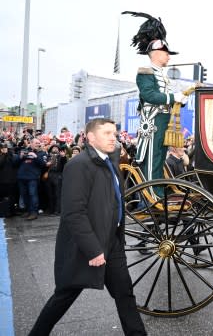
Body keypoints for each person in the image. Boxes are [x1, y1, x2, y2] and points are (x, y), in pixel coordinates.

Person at [29, 118, 146, 336]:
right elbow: (74, 213)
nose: (114, 137)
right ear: (91, 137)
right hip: (87, 245)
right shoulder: (79, 165)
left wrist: (115, 239)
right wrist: (93, 249)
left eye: (115, 133)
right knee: (65, 295)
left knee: (125, 294)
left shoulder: (109, 161)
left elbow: (114, 201)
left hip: (112, 242)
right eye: (107, 133)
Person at [123, 11, 188, 183]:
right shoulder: (145, 72)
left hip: (163, 119)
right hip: (153, 121)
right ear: (157, 53)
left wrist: (179, 101)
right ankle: (151, 194)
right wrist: (174, 98)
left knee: (159, 158)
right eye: (166, 53)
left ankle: (156, 191)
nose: (168, 56)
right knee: (152, 158)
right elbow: (149, 95)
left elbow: (163, 96)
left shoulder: (162, 74)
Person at [15, 137, 47, 220]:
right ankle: (28, 210)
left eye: (39, 143)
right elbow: (14, 163)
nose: (38, 144)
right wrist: (20, 157)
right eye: (36, 143)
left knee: (33, 195)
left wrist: (35, 157)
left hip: (33, 177)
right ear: (31, 143)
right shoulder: (24, 151)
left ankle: (34, 212)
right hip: (21, 177)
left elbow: (43, 165)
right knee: (24, 195)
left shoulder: (41, 153)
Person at [45, 143, 67, 216]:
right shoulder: (47, 156)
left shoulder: (61, 156)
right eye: (53, 148)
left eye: (56, 148)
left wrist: (63, 157)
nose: (55, 149)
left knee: (57, 194)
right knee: (50, 194)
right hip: (49, 175)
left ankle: (57, 210)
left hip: (58, 175)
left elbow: (64, 165)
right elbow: (43, 165)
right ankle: (51, 210)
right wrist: (46, 164)